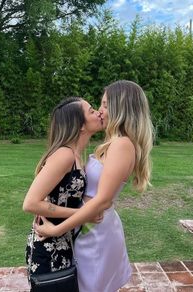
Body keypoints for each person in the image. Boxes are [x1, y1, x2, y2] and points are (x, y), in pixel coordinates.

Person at [35, 80, 154, 292]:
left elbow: (102, 200)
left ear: (121, 107)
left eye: (106, 105)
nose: (100, 111)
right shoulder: (113, 142)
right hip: (89, 226)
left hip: (96, 230)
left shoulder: (122, 144)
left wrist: (56, 229)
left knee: (91, 286)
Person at [23, 97, 103, 278]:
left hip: (63, 242)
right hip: (48, 247)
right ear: (80, 125)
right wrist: (83, 214)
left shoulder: (76, 156)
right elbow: (30, 203)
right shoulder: (64, 155)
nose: (98, 112)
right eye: (91, 111)